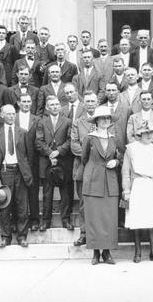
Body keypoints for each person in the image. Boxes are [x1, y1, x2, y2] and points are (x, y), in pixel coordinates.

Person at [80, 105, 123, 265]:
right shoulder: (89, 138)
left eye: (108, 118)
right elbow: (84, 159)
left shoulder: (113, 139)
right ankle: (96, 253)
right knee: (94, 218)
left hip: (110, 182)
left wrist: (116, 161)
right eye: (103, 118)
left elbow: (119, 156)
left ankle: (107, 252)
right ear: (96, 121)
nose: (106, 120)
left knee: (109, 219)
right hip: (93, 182)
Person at [0, 104, 33, 247]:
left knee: (22, 206)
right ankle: (5, 237)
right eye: (8, 114)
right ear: (2, 115)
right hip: (4, 172)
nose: (11, 116)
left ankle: (22, 237)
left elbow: (29, 155)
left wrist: (27, 173)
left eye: (13, 114)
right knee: (5, 206)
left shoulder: (23, 132)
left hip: (20, 172)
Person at [122, 122, 153, 263]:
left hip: (152, 185)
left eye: (152, 133)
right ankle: (138, 252)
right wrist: (126, 190)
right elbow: (126, 172)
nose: (149, 135)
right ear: (139, 135)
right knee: (137, 218)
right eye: (145, 133)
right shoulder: (131, 148)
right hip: (138, 185)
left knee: (152, 219)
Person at [35, 96, 73, 231]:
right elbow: (39, 141)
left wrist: (59, 152)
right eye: (52, 105)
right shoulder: (41, 122)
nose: (55, 107)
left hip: (63, 161)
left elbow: (70, 140)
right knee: (47, 194)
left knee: (66, 193)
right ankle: (45, 221)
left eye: (57, 104)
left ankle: (66, 220)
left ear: (60, 106)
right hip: (47, 161)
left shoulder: (68, 121)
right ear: (47, 107)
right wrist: (50, 153)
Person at [70, 91, 99, 247]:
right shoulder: (78, 122)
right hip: (83, 166)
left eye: (92, 101)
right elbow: (74, 145)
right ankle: (84, 233)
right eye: (87, 101)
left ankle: (98, 233)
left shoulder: (104, 121)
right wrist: (90, 155)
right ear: (84, 103)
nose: (90, 104)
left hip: (100, 168)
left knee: (99, 202)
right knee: (83, 202)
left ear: (97, 102)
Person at [15, 93, 40, 231]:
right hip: (16, 160)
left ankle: (35, 219)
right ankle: (17, 220)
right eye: (23, 101)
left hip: (32, 160)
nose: (26, 104)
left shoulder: (37, 119)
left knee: (33, 191)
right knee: (17, 192)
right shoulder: (13, 118)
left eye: (28, 101)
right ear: (18, 103)